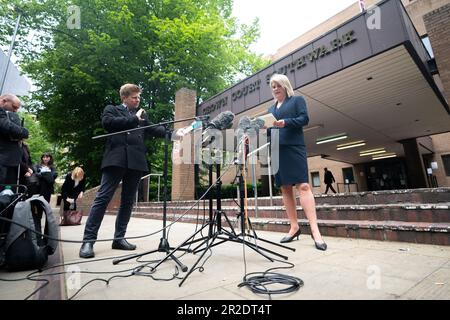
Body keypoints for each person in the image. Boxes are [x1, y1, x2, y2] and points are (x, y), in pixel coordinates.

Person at [79, 83, 166, 258]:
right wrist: (135, 119)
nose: (138, 100)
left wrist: (175, 133)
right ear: (124, 98)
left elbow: (153, 129)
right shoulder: (112, 109)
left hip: (135, 161)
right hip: (116, 159)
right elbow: (109, 124)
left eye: (139, 97)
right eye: (134, 97)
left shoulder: (140, 115)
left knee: (127, 201)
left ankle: (119, 238)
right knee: (102, 198)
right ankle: (88, 241)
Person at [267, 74, 327, 251]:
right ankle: (294, 227)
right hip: (277, 150)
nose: (275, 89)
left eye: (278, 85)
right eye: (273, 86)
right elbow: (271, 130)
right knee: (285, 188)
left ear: (285, 85)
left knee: (304, 187)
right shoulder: (270, 108)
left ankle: (315, 232)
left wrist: (285, 123)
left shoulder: (297, 100)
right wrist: (264, 128)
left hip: (294, 147)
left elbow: (304, 119)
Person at [0, 94, 29, 187]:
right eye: (14, 107)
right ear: (4, 101)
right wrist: (24, 132)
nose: (15, 110)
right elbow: (7, 126)